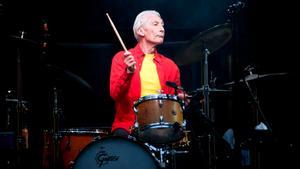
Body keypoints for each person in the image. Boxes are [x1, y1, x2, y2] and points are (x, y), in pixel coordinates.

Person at [109, 10, 188, 138]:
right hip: (128, 127)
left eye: (162, 25)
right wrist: (128, 72)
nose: (162, 29)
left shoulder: (170, 66)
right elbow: (115, 94)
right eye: (156, 24)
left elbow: (176, 100)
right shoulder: (122, 58)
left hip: (162, 127)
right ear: (141, 31)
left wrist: (182, 98)